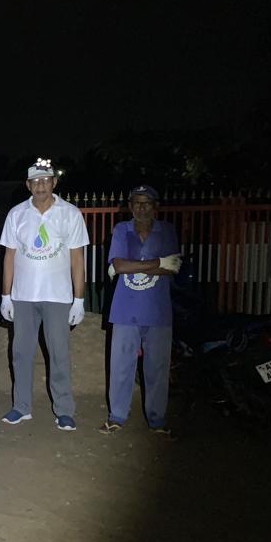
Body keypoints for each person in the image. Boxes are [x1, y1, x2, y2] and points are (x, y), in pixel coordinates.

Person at [0, 159, 90, 431]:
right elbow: (9, 257)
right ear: (28, 185)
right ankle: (21, 407)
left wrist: (79, 299)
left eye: (45, 180)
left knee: (59, 354)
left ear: (54, 182)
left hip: (58, 296)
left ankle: (64, 410)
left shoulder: (70, 213)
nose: (41, 185)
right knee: (21, 353)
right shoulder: (16, 214)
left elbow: (77, 259)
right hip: (23, 296)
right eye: (35, 181)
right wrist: (5, 295)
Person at [100, 185, 181, 436]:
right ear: (130, 206)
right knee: (121, 366)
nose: (141, 208)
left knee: (157, 369)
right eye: (136, 202)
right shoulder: (121, 230)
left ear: (156, 207)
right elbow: (119, 265)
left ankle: (157, 420)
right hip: (125, 309)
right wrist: (158, 262)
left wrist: (133, 265)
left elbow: (173, 268)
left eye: (146, 203)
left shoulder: (166, 230)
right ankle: (116, 416)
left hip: (158, 310)